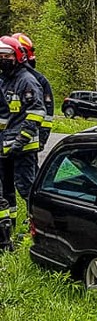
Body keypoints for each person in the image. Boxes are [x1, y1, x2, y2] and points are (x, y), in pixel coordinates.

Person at [0, 35, 46, 229]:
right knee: (6, 191)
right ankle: (8, 227)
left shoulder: (27, 81)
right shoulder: (5, 81)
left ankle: (36, 228)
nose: (3, 60)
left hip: (24, 148)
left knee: (27, 189)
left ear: (17, 56)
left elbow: (37, 112)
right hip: (5, 148)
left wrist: (21, 139)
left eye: (6, 55)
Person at [12, 33, 53, 151]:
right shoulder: (5, 79)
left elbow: (46, 115)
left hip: (28, 140)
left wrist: (42, 139)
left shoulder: (36, 80)